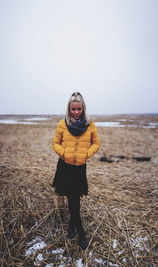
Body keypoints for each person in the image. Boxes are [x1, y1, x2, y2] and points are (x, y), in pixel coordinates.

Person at [52, 92, 100, 250]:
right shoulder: (62, 124)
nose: (76, 112)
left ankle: (76, 230)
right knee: (71, 199)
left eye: (79, 108)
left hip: (79, 168)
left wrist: (86, 154)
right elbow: (55, 143)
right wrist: (64, 153)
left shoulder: (89, 124)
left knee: (75, 202)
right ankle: (78, 231)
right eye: (73, 109)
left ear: (83, 108)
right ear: (69, 108)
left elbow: (96, 144)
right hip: (65, 166)